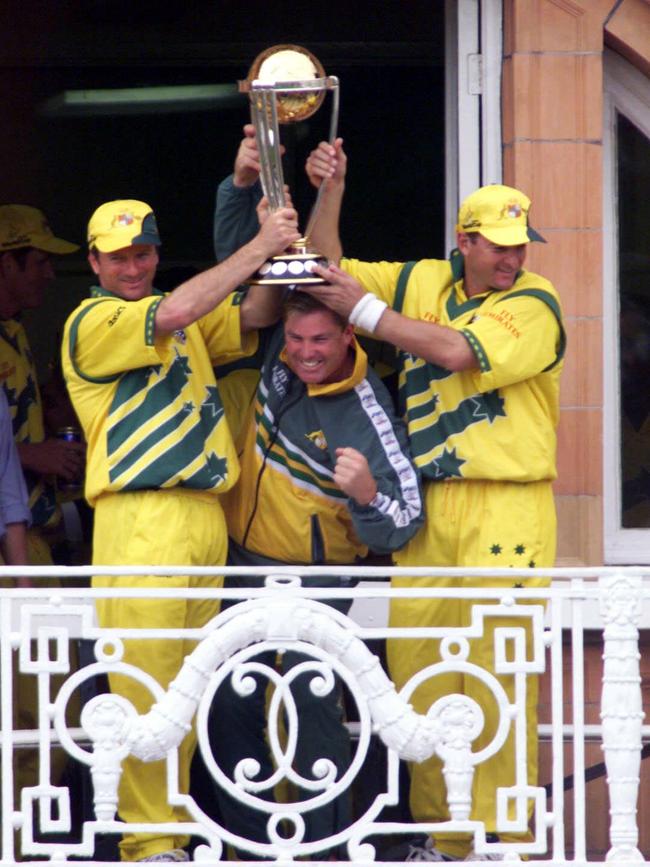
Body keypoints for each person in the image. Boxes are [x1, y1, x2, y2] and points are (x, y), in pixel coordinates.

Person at [300, 146, 565, 862]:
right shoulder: (422, 279)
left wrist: (365, 312)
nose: (513, 260)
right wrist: (333, 190)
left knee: (497, 673)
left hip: (508, 506)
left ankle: (501, 840)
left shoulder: (535, 302)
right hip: (428, 506)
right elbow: (331, 271)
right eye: (500, 248)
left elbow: (456, 352)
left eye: (520, 247)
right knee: (421, 672)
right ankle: (442, 840)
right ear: (467, 243)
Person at [61, 197, 300, 863]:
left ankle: (174, 832)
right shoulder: (93, 318)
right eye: (118, 257)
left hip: (202, 513)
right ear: (94, 263)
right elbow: (172, 312)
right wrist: (256, 246)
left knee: (188, 687)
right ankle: (149, 842)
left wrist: (282, 234)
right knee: (145, 684)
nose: (132, 266)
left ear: (157, 254)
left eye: (141, 254)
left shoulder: (186, 315)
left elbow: (256, 312)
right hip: (141, 515)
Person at [208, 290, 423, 857]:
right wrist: (244, 199)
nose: (304, 353)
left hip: (319, 579)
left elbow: (403, 522)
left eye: (321, 341)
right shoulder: (282, 351)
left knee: (310, 697)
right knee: (228, 699)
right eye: (297, 339)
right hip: (242, 563)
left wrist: (366, 494)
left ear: (350, 336)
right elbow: (262, 265)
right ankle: (248, 848)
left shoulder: (365, 412)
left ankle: (321, 850)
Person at [0, 205, 85, 564]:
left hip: (33, 540)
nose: (51, 274)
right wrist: (31, 455)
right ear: (6, 264)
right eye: (40, 262)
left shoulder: (14, 331)